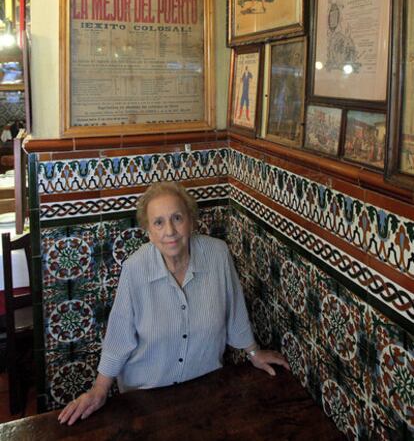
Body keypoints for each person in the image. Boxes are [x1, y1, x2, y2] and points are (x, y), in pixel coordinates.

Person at [59, 182, 289, 426]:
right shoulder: (135, 269)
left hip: (205, 390)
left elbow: (235, 312)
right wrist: (99, 389)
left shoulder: (218, 254)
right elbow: (119, 337)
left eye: (177, 218)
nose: (169, 230)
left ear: (191, 221)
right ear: (148, 230)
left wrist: (253, 352)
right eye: (158, 222)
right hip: (146, 398)